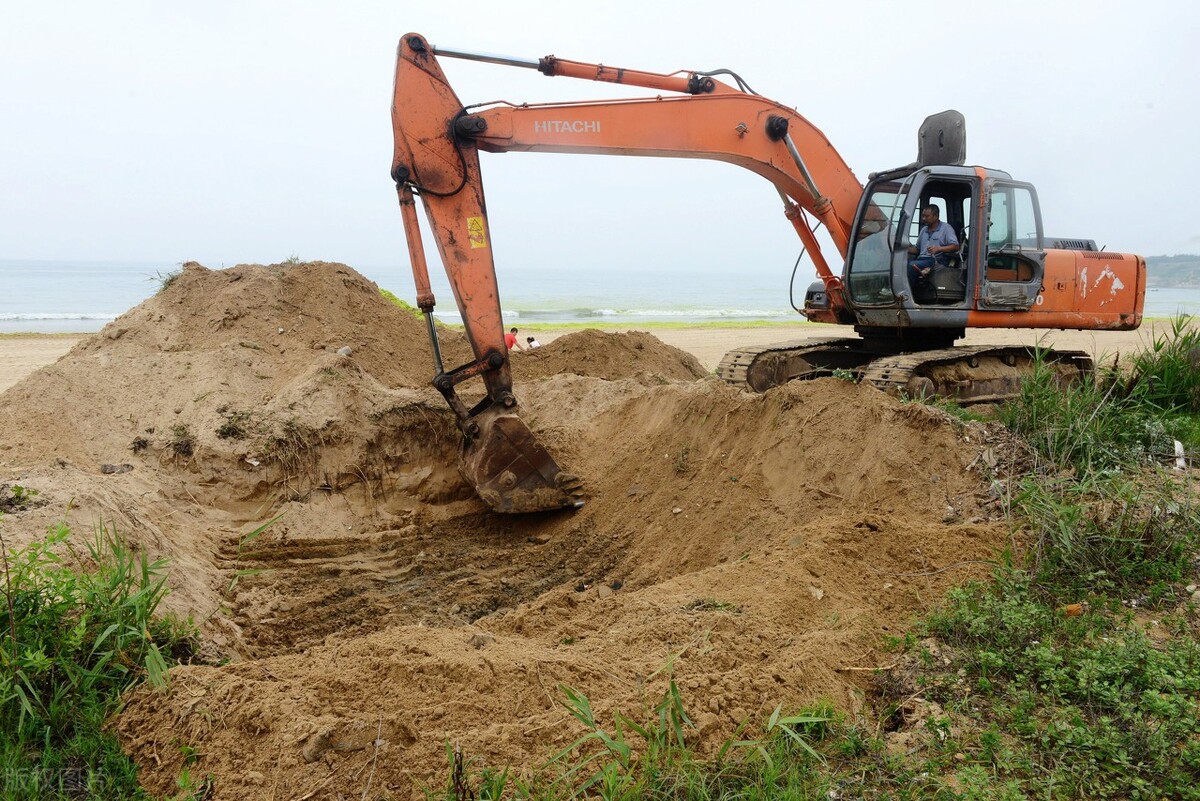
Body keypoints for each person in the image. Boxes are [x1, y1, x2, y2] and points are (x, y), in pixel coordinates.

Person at [907, 205, 959, 282]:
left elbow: (956, 246)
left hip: (936, 260)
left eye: (927, 216)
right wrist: (904, 249)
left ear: (936, 216)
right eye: (923, 216)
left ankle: (908, 291)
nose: (923, 219)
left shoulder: (946, 228)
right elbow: (918, 250)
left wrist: (939, 248)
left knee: (912, 265)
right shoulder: (923, 230)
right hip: (921, 259)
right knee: (901, 263)